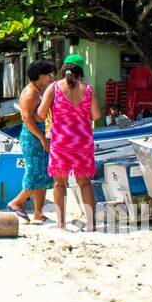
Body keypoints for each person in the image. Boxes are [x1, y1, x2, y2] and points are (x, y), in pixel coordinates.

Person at [38, 54, 101, 231]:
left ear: (64, 68)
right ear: (81, 71)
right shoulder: (88, 89)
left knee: (59, 184)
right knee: (85, 183)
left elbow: (42, 114)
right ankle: (91, 224)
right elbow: (96, 115)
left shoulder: (54, 88)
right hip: (82, 142)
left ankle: (61, 224)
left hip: (61, 142)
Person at [6, 60, 57, 223]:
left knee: (42, 173)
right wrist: (42, 138)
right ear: (40, 75)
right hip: (32, 136)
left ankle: (38, 213)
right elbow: (26, 118)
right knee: (35, 173)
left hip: (38, 134)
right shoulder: (31, 93)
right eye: (49, 74)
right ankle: (16, 202)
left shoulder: (38, 91)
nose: (51, 77)